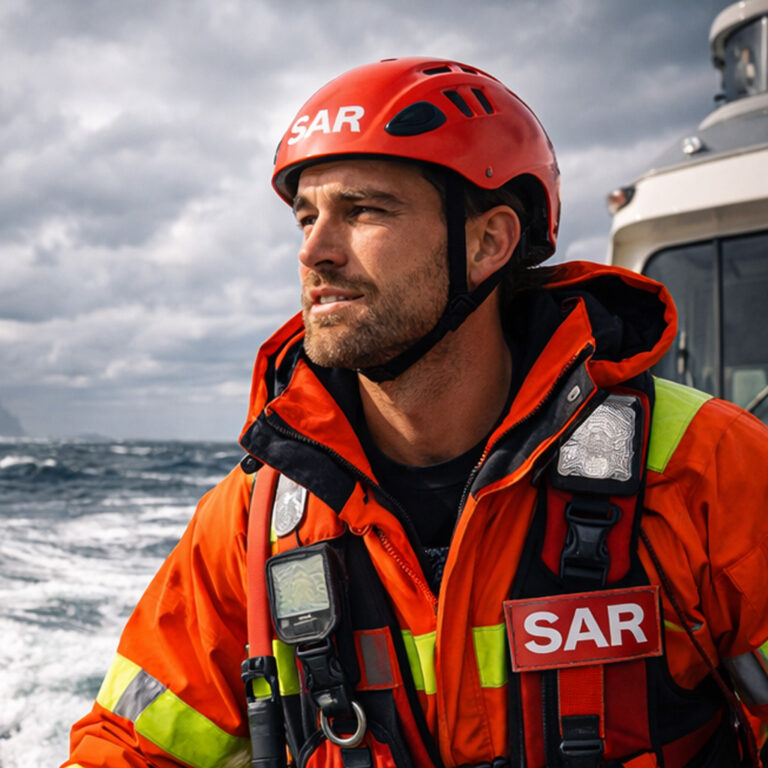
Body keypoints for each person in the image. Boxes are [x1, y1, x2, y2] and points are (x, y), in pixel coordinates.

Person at [64, 58, 768, 768]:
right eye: (306, 217)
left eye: (364, 211)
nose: (314, 250)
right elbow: (126, 751)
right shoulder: (255, 522)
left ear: (489, 242)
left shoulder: (705, 470)